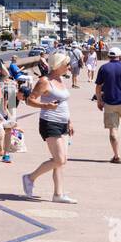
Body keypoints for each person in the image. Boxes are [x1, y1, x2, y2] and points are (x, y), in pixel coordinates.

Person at [21, 51, 76, 203]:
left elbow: (63, 102)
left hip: (63, 122)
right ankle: (30, 177)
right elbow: (30, 100)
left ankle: (58, 194)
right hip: (49, 122)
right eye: (66, 64)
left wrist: (69, 121)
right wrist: (45, 105)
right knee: (60, 159)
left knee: (61, 160)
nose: (69, 67)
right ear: (58, 65)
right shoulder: (45, 81)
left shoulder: (60, 79)